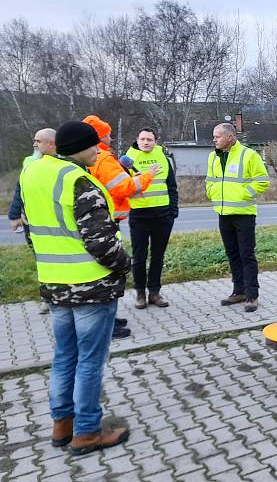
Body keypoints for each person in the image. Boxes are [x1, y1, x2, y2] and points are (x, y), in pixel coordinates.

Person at [19, 121, 130, 456]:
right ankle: (87, 431)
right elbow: (101, 243)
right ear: (80, 148)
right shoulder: (79, 181)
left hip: (54, 284)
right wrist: (126, 264)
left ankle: (61, 425)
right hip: (91, 287)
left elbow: (30, 230)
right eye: (94, 145)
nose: (99, 150)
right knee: (90, 361)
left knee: (65, 356)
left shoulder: (32, 174)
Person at [83, 115, 160, 338]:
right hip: (106, 220)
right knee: (109, 271)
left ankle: (110, 319)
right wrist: (146, 177)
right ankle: (108, 323)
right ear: (99, 135)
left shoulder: (95, 157)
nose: (111, 135)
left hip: (104, 218)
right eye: (107, 132)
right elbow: (121, 186)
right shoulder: (103, 157)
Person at [206, 123, 269, 312]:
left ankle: (252, 295)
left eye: (217, 136)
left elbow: (262, 180)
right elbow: (210, 180)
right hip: (223, 213)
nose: (214, 140)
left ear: (230, 137)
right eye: (214, 136)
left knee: (246, 255)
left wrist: (245, 194)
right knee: (232, 255)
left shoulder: (248, 155)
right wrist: (211, 193)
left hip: (243, 214)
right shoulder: (212, 157)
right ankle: (239, 291)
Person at [125, 128, 178, 309]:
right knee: (139, 257)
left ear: (156, 141)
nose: (146, 142)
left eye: (150, 139)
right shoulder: (128, 158)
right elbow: (121, 187)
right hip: (139, 215)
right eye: (143, 139)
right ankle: (140, 293)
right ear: (137, 140)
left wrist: (173, 210)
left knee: (158, 256)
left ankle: (154, 292)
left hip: (162, 215)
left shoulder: (162, 156)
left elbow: (171, 185)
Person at [8, 128, 57, 232]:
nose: (34, 145)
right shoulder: (29, 162)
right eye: (34, 141)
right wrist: (14, 214)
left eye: (38, 141)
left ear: (51, 143)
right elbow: (21, 188)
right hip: (32, 216)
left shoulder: (65, 162)